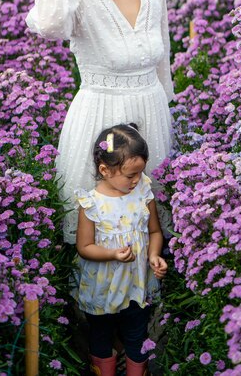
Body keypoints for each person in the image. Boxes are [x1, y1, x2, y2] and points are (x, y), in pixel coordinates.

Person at [25, 0, 173, 243]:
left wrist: (168, 106)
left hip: (152, 114)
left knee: (149, 225)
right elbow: (46, 24)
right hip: (100, 120)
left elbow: (162, 55)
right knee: (101, 231)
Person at [72, 123, 167, 376]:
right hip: (102, 288)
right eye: (129, 175)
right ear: (105, 170)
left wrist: (154, 255)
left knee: (137, 333)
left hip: (137, 285)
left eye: (140, 173)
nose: (136, 180)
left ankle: (137, 369)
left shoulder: (143, 192)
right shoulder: (91, 204)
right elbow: (84, 247)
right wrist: (112, 254)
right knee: (101, 334)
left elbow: (155, 232)